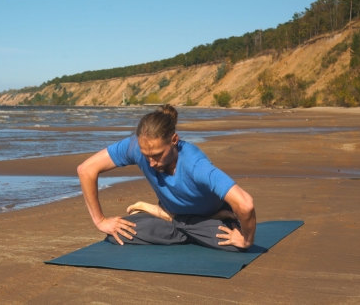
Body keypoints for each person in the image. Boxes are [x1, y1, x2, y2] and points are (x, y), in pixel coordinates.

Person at [77, 104, 256, 251]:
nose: (151, 162)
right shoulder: (134, 147)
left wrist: (246, 241)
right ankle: (182, 223)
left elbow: (245, 204)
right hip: (181, 215)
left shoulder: (196, 165)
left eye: (157, 155)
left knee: (236, 247)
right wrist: (100, 221)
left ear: (174, 140)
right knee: (117, 234)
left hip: (205, 213)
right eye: (145, 155)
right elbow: (86, 170)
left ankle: (173, 217)